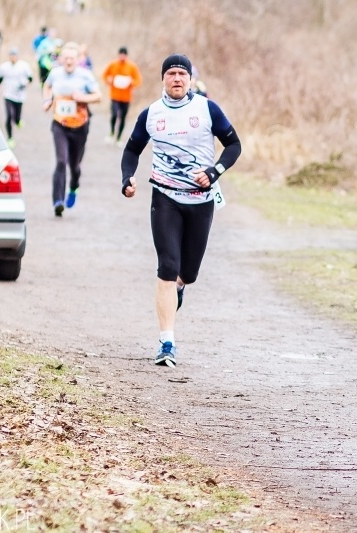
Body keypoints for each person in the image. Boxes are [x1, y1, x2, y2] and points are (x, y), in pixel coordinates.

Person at [120, 53, 241, 367]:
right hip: (165, 198)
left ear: (190, 79)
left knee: (187, 273)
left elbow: (234, 146)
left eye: (181, 74)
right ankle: (167, 343)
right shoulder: (151, 113)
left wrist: (214, 172)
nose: (176, 78)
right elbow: (132, 149)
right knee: (167, 266)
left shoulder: (206, 109)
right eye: (171, 73)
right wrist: (127, 178)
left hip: (200, 201)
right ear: (163, 79)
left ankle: (180, 287)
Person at [42, 41, 101, 217]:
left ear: (78, 60)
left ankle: (74, 186)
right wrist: (47, 100)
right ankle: (58, 201)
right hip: (59, 124)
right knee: (61, 161)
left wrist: (82, 97)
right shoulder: (55, 73)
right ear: (61, 59)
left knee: (74, 165)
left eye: (72, 58)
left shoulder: (85, 75)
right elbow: (47, 86)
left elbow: (98, 96)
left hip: (80, 126)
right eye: (66, 58)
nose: (69, 61)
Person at [101, 46, 142, 145]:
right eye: (121, 55)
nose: (122, 57)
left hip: (126, 97)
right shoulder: (113, 64)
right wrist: (108, 80)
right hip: (114, 96)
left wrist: (132, 82)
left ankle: (119, 137)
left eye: (124, 55)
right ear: (118, 55)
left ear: (126, 56)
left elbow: (138, 80)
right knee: (114, 114)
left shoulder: (132, 66)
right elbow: (104, 75)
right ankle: (111, 133)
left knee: (123, 117)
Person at [0, 47, 33, 148]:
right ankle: (10, 138)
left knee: (16, 118)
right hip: (8, 94)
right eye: (11, 55)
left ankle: (18, 120)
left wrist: (25, 84)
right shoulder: (4, 67)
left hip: (19, 95)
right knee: (9, 116)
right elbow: (0, 78)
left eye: (14, 55)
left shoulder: (24, 66)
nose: (13, 57)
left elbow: (30, 78)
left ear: (17, 56)